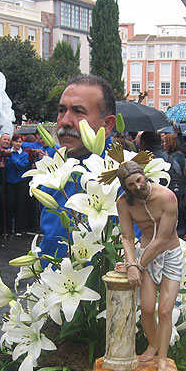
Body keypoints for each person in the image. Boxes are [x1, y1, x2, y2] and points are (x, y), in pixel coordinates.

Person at [113, 160, 181, 371]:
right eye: (131, 185)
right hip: (145, 257)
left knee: (165, 310)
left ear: (145, 175)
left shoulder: (167, 197)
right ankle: (152, 345)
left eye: (139, 180)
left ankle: (162, 359)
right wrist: (132, 263)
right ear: (125, 187)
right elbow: (127, 236)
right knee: (148, 309)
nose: (137, 187)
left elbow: (161, 239)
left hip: (170, 255)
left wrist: (135, 266)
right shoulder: (124, 203)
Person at [39, 74, 116, 258]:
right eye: (61, 110)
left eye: (78, 111)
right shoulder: (51, 170)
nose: (65, 121)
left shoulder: (126, 176)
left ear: (107, 124)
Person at [4, 133, 31, 236]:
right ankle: (9, 229)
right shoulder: (8, 153)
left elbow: (22, 166)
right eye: (16, 141)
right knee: (10, 206)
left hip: (20, 182)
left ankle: (19, 228)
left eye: (20, 142)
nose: (18, 144)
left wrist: (11, 158)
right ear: (12, 142)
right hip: (10, 182)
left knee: (20, 205)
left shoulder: (24, 154)